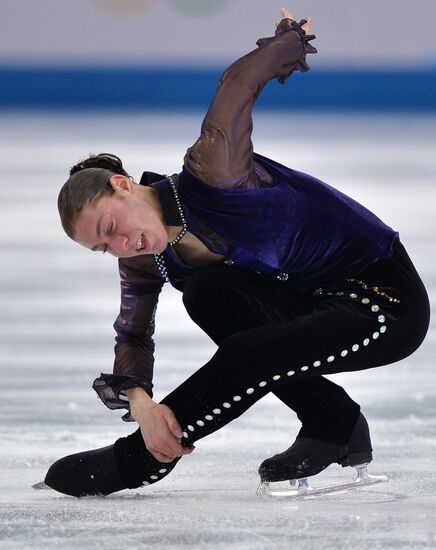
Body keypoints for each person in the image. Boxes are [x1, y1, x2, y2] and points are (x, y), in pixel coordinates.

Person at [44, 9, 430, 498]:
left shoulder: (212, 171)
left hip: (384, 301)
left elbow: (239, 82)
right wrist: (141, 402)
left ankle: (141, 460)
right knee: (208, 293)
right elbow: (133, 334)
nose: (122, 245)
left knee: (253, 351)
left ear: (123, 186)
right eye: (105, 246)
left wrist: (289, 42)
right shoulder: (144, 257)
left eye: (112, 226)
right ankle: (332, 423)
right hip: (313, 308)